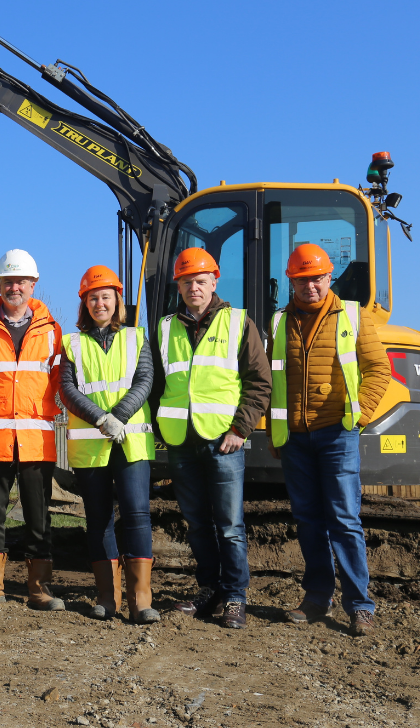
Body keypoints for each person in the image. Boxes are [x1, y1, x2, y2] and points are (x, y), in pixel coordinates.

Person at [267, 243, 391, 636]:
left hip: (337, 433)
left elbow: (379, 370)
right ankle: (317, 597)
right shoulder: (278, 323)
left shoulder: (352, 315)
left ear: (328, 278)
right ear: (292, 282)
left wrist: (359, 417)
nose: (311, 287)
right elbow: (273, 382)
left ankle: (360, 605)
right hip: (296, 440)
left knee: (343, 519)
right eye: (302, 280)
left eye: (317, 279)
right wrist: (275, 430)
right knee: (307, 521)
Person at [150, 248, 271, 630]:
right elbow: (155, 385)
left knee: (230, 525)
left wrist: (240, 429)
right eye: (186, 282)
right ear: (179, 287)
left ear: (214, 282)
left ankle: (235, 596)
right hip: (181, 441)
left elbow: (259, 382)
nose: (193, 288)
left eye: (200, 281)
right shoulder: (166, 328)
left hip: (223, 440)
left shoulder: (239, 323)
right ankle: (210, 590)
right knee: (198, 524)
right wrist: (160, 429)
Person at [0, 249, 64, 611]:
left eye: (21, 281)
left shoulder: (53, 331)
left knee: (39, 515)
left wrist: (31, 409)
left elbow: (57, 379)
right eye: (8, 281)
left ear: (33, 285)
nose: (14, 287)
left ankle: (39, 587)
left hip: (36, 438)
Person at [59, 265, 158, 623]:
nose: (99, 303)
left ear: (118, 300)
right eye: (92, 298)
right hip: (92, 444)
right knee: (98, 520)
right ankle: (107, 597)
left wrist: (120, 415)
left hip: (131, 442)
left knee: (136, 516)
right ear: (84, 304)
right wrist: (102, 419)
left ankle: (141, 601)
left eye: (105, 296)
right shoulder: (72, 344)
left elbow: (144, 379)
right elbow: (67, 391)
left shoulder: (137, 338)